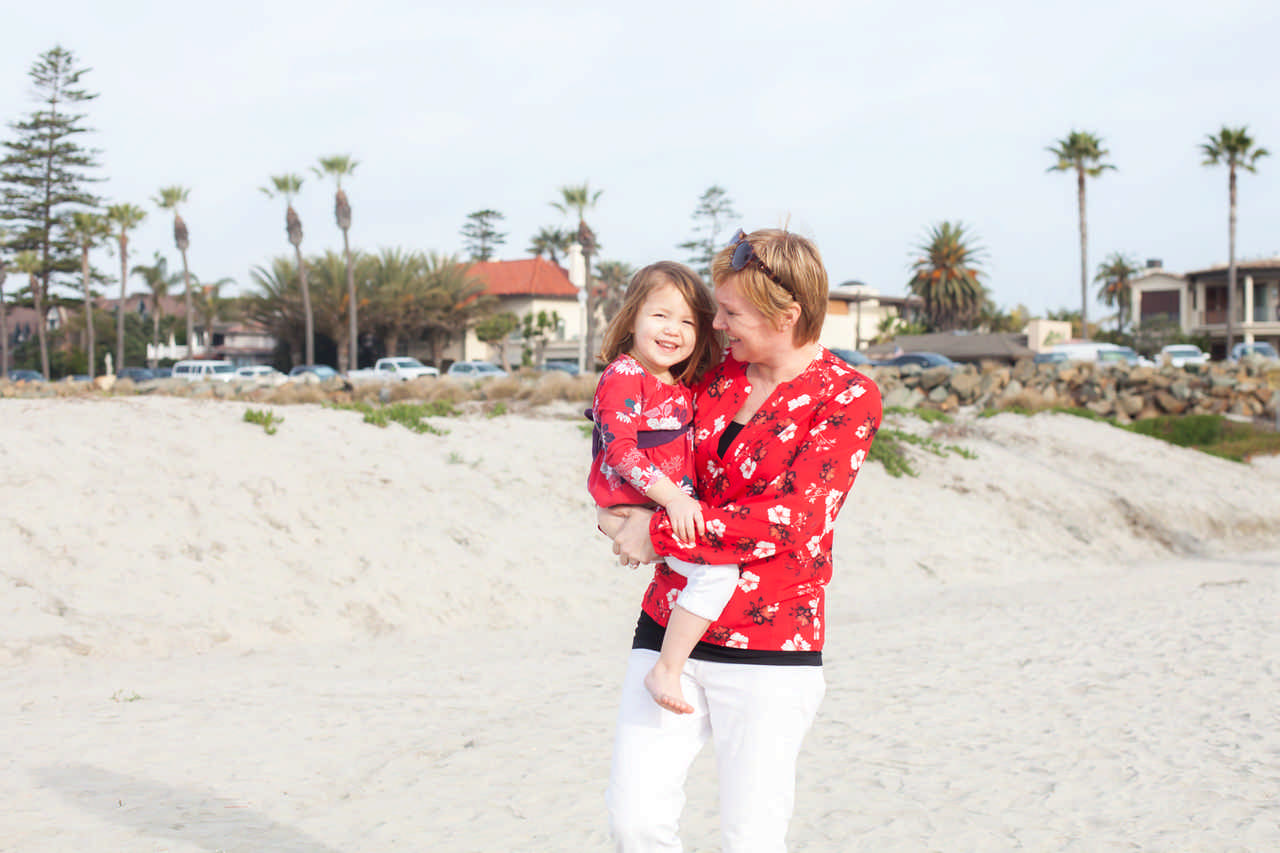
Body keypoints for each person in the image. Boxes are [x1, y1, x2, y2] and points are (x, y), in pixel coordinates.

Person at [600, 228, 882, 852]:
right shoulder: (711, 373)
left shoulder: (847, 396)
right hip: (668, 619)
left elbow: (792, 520)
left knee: (749, 839)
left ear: (788, 315)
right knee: (634, 822)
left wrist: (660, 528)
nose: (718, 325)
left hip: (771, 643)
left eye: (730, 313)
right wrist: (618, 511)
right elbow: (638, 429)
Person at [588, 260, 735, 715]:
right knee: (717, 573)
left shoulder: (679, 384)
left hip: (658, 513)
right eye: (660, 316)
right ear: (631, 316)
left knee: (705, 574)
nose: (673, 330)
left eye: (688, 321)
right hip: (629, 507)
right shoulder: (624, 376)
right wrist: (673, 499)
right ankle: (668, 667)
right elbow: (620, 451)